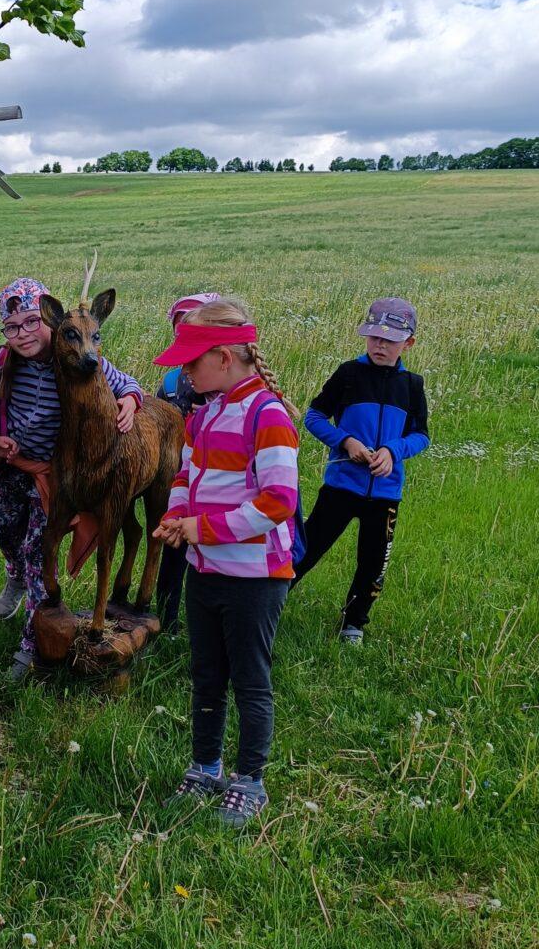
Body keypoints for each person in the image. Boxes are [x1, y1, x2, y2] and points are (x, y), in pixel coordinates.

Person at [152, 297, 299, 830]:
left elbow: (278, 501)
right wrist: (176, 518)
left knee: (250, 679)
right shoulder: (204, 414)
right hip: (206, 571)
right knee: (206, 674)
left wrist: (203, 529)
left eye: (191, 361)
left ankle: (249, 779)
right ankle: (204, 767)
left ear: (224, 356)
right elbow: (184, 479)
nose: (184, 371)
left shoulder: (269, 416)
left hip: (255, 578)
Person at [0, 276, 144, 682]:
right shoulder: (2, 363)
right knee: (4, 532)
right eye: (12, 326)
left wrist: (130, 399)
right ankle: (15, 575)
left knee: (41, 553)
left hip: (53, 474)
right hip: (12, 467)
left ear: (49, 320)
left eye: (32, 322)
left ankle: (29, 650)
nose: (23, 334)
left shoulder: (71, 353)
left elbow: (122, 381)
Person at [293, 296, 429, 643]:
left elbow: (421, 436)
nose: (380, 345)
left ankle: (353, 622)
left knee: (373, 562)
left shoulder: (412, 386)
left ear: (408, 343)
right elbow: (314, 417)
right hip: (341, 486)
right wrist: (346, 441)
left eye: (390, 340)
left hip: (385, 493)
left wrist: (393, 451)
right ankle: (272, 600)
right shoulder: (348, 373)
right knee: (307, 547)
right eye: (374, 337)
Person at [154, 292, 220, 634]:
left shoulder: (226, 380)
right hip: (180, 477)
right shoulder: (170, 381)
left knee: (210, 550)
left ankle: (207, 619)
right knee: (175, 550)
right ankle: (167, 617)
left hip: (217, 484)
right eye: (179, 331)